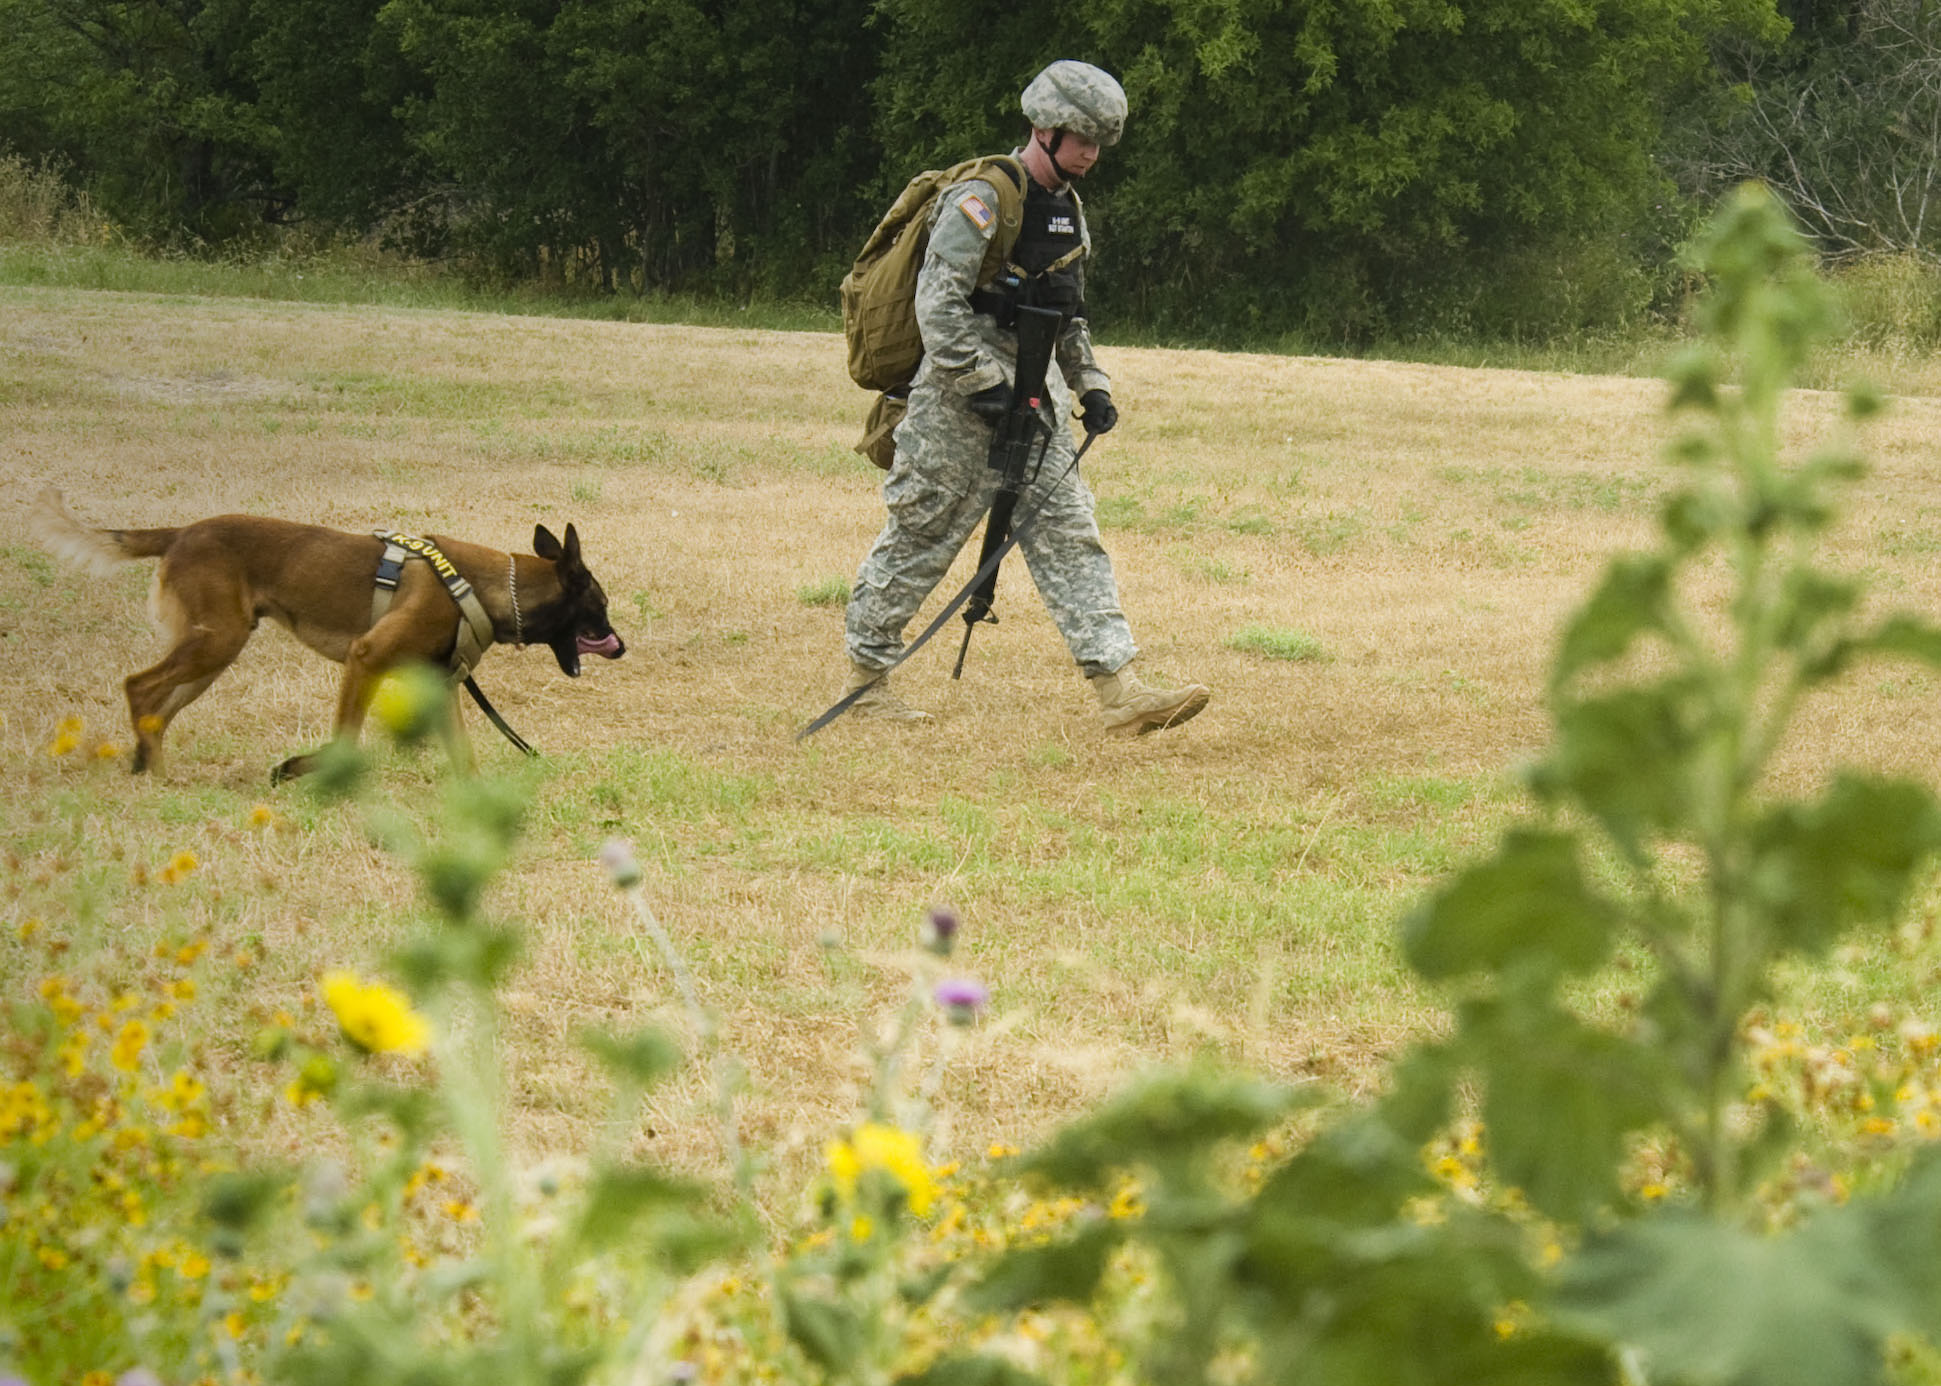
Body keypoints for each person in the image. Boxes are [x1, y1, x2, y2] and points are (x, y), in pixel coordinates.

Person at [839, 59, 1211, 736]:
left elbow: (1066, 312)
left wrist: (1090, 384)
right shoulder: (981, 199)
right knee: (921, 536)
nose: (1092, 152)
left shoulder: (1066, 212)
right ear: (1043, 129)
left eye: (1101, 141)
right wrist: (983, 386)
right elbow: (937, 305)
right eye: (1081, 138)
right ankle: (865, 682)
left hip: (1031, 397)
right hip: (955, 399)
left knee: (1069, 531)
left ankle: (1120, 690)